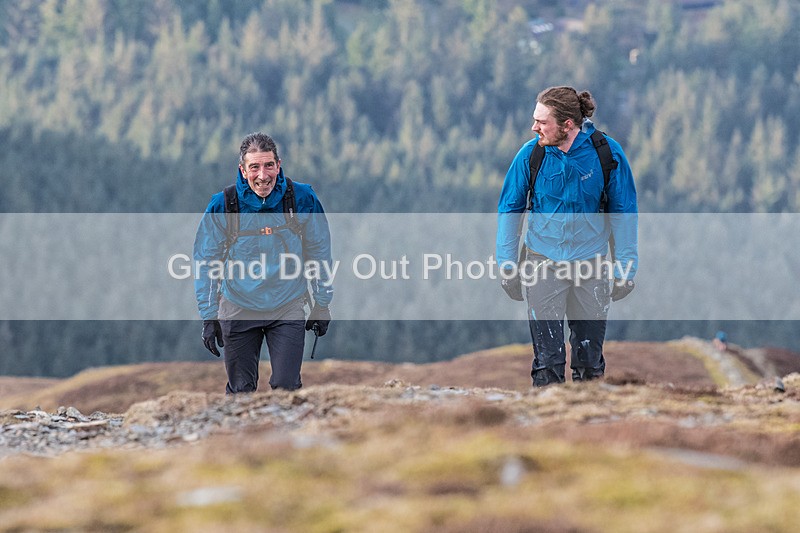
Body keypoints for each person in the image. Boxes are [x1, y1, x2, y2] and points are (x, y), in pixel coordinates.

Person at [496, 86, 638, 386]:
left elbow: (624, 212)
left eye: (541, 121)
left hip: (592, 265)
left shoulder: (607, 153)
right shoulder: (530, 155)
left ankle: (587, 415)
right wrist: (507, 265)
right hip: (542, 262)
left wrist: (625, 268)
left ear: (567, 124)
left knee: (590, 363)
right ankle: (548, 415)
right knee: (547, 362)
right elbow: (510, 210)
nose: (534, 127)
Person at [194, 132, 333, 393]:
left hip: (287, 305)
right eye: (254, 167)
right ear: (242, 170)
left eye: (269, 165)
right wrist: (209, 316)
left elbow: (319, 252)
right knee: (241, 391)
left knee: (286, 388)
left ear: (279, 165)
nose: (262, 175)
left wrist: (322, 304)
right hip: (238, 305)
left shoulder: (301, 198)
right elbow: (206, 262)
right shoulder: (224, 204)